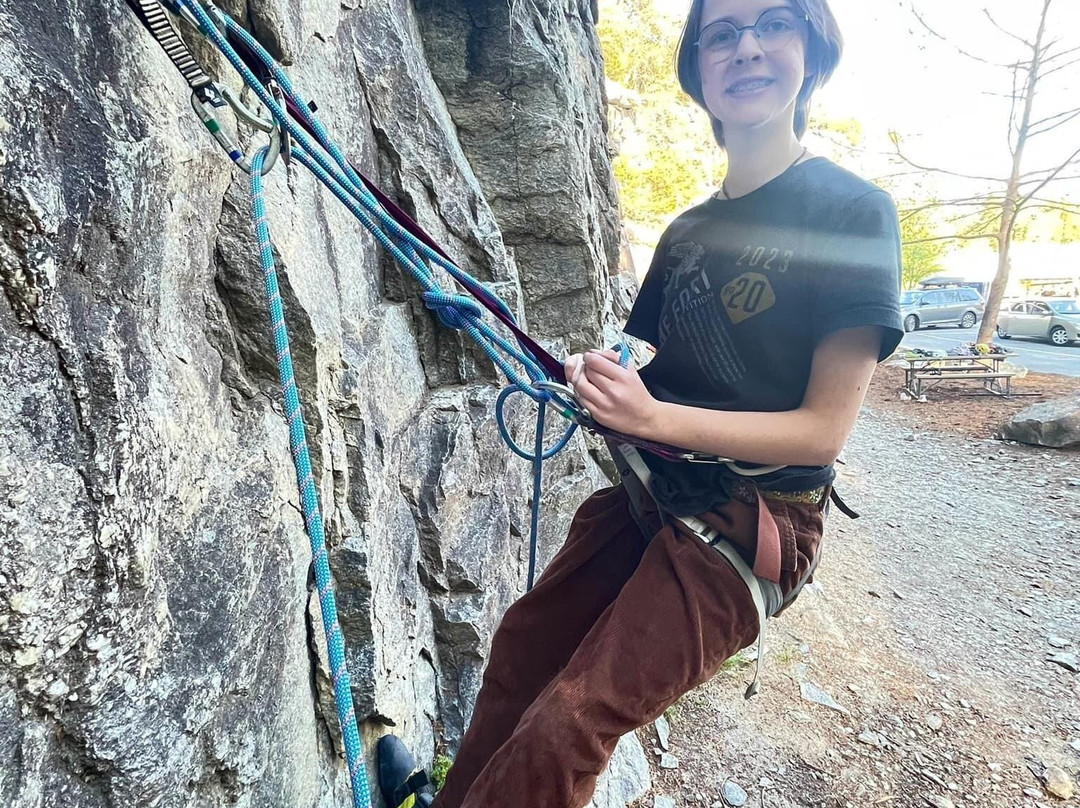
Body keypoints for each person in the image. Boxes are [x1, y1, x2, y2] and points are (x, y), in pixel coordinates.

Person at [378, 0, 903, 805]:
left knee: (572, 720)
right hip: (653, 494)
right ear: (698, 68)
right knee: (523, 650)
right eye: (721, 34)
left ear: (814, 51)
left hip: (755, 520)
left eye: (774, 25)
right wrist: (606, 383)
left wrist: (650, 418)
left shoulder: (851, 213)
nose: (746, 47)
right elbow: (643, 365)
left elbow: (822, 432)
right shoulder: (689, 231)